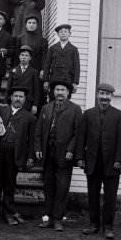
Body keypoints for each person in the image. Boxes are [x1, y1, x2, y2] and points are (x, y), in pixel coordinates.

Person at [76, 83, 121, 240]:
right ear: (97, 95)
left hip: (112, 163)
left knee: (110, 197)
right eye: (102, 94)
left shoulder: (119, 115)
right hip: (92, 162)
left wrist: (119, 160)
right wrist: (80, 157)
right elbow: (81, 137)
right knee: (93, 195)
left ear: (111, 97)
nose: (104, 97)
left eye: (107, 94)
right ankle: (94, 225)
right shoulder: (88, 114)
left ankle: (108, 227)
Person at [0, 86, 36, 226]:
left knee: (10, 184)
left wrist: (30, 157)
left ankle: (8, 213)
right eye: (15, 96)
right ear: (11, 97)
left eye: (21, 97)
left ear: (24, 99)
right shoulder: (0, 111)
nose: (18, 99)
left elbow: (31, 140)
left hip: (14, 154)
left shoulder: (29, 117)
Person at [35, 81, 82, 231]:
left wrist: (71, 150)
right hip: (48, 152)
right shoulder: (46, 108)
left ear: (68, 93)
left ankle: (58, 219)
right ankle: (48, 217)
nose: (60, 92)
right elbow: (38, 131)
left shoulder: (75, 109)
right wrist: (38, 148)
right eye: (57, 90)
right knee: (48, 186)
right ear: (53, 92)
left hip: (64, 154)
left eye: (63, 90)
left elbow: (78, 133)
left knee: (62, 187)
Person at [42, 24, 80, 98]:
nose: (63, 33)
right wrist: (46, 80)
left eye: (65, 32)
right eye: (61, 32)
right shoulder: (52, 48)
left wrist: (75, 82)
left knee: (66, 101)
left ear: (70, 34)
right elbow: (47, 65)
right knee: (53, 99)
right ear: (58, 34)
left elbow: (77, 66)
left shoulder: (73, 49)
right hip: (54, 79)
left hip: (67, 80)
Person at [7, 45, 42, 115]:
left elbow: (36, 89)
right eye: (22, 55)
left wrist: (35, 105)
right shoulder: (13, 70)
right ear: (19, 57)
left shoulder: (34, 72)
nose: (24, 57)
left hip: (28, 102)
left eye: (26, 55)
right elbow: (8, 88)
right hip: (15, 100)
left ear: (30, 58)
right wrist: (6, 102)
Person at [14, 15, 48, 80]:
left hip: (36, 69)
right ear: (26, 25)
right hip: (22, 69)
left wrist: (43, 70)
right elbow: (16, 55)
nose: (31, 25)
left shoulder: (43, 40)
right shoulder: (19, 38)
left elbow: (44, 57)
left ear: (37, 25)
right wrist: (15, 68)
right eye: (29, 23)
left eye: (34, 23)